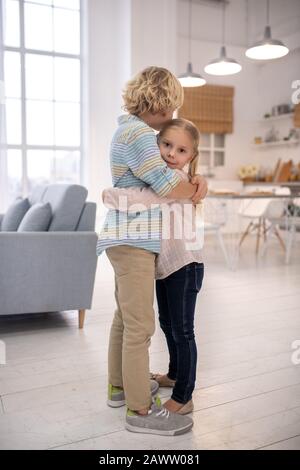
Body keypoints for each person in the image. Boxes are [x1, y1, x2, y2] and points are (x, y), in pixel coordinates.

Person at [97, 66, 207, 435]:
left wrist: (192, 180)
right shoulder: (141, 134)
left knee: (124, 319)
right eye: (171, 106)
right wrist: (195, 189)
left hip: (125, 238)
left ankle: (119, 387)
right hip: (135, 240)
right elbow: (163, 185)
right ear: (161, 102)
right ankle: (141, 411)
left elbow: (154, 182)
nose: (172, 117)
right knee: (140, 327)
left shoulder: (124, 129)